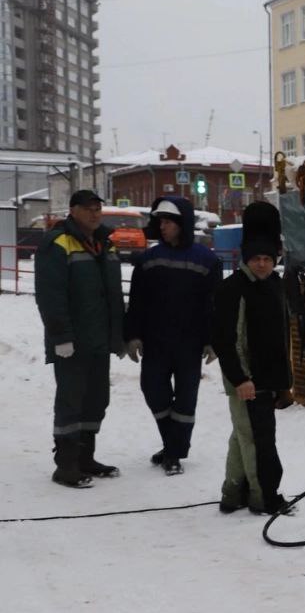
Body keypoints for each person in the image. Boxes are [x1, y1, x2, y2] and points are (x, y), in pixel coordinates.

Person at [34, 189, 127, 487]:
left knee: (97, 399)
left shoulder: (105, 244)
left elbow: (112, 295)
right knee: (71, 401)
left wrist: (120, 334)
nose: (94, 213)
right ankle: (66, 465)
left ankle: (86, 457)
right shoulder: (58, 243)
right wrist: (61, 336)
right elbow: (50, 295)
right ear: (72, 211)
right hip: (72, 343)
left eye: (98, 208)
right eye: (87, 208)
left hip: (99, 339)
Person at [124, 196, 223, 475]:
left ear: (183, 224)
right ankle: (173, 445)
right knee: (153, 390)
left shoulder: (207, 260)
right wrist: (132, 335)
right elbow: (137, 300)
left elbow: (213, 304)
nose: (163, 226)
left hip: (190, 343)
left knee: (185, 399)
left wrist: (212, 339)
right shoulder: (149, 259)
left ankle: (174, 453)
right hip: (156, 341)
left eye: (168, 221)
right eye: (161, 222)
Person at [211, 210, 292, 515]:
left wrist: (284, 384)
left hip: (267, 379)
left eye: (267, 258)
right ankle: (264, 498)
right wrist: (240, 378)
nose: (262, 263)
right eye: (256, 258)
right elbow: (224, 339)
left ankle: (233, 493)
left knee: (242, 436)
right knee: (258, 440)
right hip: (247, 380)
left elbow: (280, 337)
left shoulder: (274, 285)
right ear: (246, 258)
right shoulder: (233, 289)